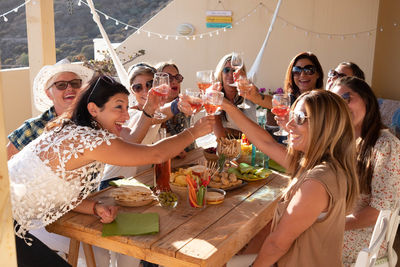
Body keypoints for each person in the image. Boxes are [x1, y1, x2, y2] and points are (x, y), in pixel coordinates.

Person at [8, 75, 215, 267]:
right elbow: (155, 154)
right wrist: (194, 131)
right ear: (93, 109)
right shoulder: (86, 139)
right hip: (7, 226)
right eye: (119, 107)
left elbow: (53, 190)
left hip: (20, 220)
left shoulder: (75, 130)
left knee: (99, 252)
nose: (126, 116)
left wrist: (94, 207)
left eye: (126, 107)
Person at [222, 89, 359, 266]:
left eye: (300, 118)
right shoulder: (326, 166)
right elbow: (266, 143)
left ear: (324, 126)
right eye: (293, 115)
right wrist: (227, 106)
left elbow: (277, 244)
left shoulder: (316, 182)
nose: (289, 124)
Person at [329, 77, 400, 265]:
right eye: (336, 103)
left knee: (296, 240)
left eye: (347, 98)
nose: (342, 107)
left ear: (366, 100)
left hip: (365, 236)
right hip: (342, 221)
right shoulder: (345, 142)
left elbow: (377, 212)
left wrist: (329, 226)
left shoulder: (386, 145)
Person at [100, 63, 192, 187]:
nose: (145, 91)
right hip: (113, 183)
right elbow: (151, 118)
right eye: (138, 87)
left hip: (138, 183)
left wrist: (173, 151)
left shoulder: (157, 117)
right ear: (132, 91)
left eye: (149, 85)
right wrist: (177, 105)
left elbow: (152, 150)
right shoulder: (129, 115)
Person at [6, 59, 94, 159]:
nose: (70, 88)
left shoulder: (94, 118)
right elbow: (5, 162)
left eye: (75, 83)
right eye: (61, 85)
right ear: (48, 94)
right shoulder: (32, 127)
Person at [242, 51, 324, 109]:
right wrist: (253, 95)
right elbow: (266, 100)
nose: (302, 75)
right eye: (297, 71)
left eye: (309, 70)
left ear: (318, 74)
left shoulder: (325, 102)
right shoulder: (289, 100)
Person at [213, 53, 258, 138]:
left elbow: (253, 133)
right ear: (220, 74)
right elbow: (220, 135)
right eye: (226, 70)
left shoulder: (248, 96)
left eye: (234, 71)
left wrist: (229, 131)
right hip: (226, 148)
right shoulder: (216, 96)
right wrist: (239, 133)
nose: (231, 74)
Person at [156, 61, 194, 157]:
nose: (174, 81)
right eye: (168, 78)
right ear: (158, 81)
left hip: (191, 159)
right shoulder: (155, 111)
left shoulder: (185, 104)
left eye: (177, 77)